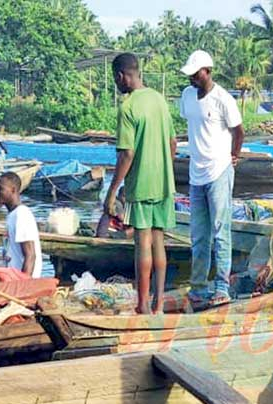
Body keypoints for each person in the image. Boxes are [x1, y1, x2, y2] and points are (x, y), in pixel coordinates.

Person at [98, 53, 177, 314]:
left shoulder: (128, 107)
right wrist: (163, 167)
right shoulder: (159, 100)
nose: (117, 84)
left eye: (115, 79)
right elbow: (172, 144)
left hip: (141, 184)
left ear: (122, 76)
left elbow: (127, 154)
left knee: (142, 243)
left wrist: (112, 192)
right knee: (158, 241)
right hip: (165, 183)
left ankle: (142, 305)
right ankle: (159, 302)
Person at [179, 50, 245, 306]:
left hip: (218, 171)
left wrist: (234, 156)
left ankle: (221, 287)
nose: (192, 79)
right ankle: (198, 287)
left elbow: (239, 131)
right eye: (190, 75)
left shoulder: (223, 99)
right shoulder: (187, 96)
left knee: (220, 231)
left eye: (196, 74)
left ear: (207, 71)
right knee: (199, 235)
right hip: (197, 174)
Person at [0, 172, 42, 278]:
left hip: (22, 280)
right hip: (12, 277)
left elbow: (30, 255)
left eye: (0, 188)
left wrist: (23, 286)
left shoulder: (21, 214)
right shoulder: (12, 214)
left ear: (13, 190)